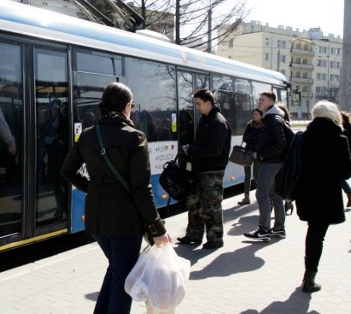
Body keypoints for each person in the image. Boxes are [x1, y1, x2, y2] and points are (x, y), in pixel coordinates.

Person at [60, 82, 169, 314]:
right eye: (131, 105)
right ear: (126, 106)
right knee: (124, 281)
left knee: (117, 269)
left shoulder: (88, 136)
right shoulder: (134, 137)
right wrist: (158, 227)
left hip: (96, 220)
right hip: (124, 221)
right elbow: (141, 189)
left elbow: (66, 171)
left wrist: (92, 188)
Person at [294, 101, 351, 292]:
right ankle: (309, 279)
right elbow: (346, 173)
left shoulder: (303, 137)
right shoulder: (339, 139)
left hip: (306, 193)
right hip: (327, 196)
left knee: (313, 233)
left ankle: (308, 276)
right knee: (317, 236)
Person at [177, 88, 232, 250]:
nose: (197, 107)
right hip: (201, 170)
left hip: (212, 171)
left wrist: (192, 151)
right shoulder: (206, 119)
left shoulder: (218, 122)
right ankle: (193, 235)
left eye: (199, 104)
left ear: (208, 103)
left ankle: (215, 238)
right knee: (194, 202)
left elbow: (215, 149)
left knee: (211, 205)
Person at [245, 91, 290, 241]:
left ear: (271, 102)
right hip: (276, 162)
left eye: (262, 100)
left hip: (271, 162)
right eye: (259, 99)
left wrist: (264, 155)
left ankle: (263, 229)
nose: (259, 102)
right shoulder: (274, 117)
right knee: (275, 195)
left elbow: (280, 143)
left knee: (261, 194)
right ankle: (278, 229)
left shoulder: (272, 119)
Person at [238, 108, 263, 205]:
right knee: (247, 175)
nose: (254, 116)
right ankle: (246, 198)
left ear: (261, 116)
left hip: (257, 154)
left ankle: (262, 195)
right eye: (253, 114)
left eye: (256, 114)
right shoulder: (250, 125)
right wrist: (254, 139)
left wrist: (252, 138)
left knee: (257, 176)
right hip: (248, 153)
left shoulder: (264, 126)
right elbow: (245, 138)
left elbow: (261, 140)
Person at [277, 103, 295, 215]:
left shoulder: (284, 125)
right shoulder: (278, 123)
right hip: (280, 159)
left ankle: (288, 202)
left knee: (281, 184)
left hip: (283, 159)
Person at [340, 110, 351, 207]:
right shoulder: (342, 130)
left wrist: (347, 153)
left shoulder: (347, 132)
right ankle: (350, 194)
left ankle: (350, 194)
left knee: (338, 178)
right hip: (343, 160)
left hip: (345, 160)